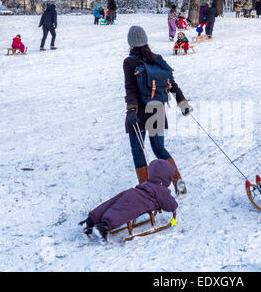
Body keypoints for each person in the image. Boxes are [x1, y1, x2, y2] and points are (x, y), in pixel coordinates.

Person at [123, 25, 193, 195]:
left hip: (139, 112)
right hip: (157, 109)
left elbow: (130, 88)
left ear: (130, 42)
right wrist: (182, 103)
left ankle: (146, 192)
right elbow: (172, 84)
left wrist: (131, 110)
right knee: (159, 149)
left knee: (138, 150)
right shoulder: (157, 58)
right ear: (145, 40)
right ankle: (178, 181)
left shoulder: (130, 62)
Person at [80, 159, 178, 242]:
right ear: (167, 177)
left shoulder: (147, 183)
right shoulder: (162, 190)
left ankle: (90, 221)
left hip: (132, 192)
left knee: (112, 203)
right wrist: (175, 206)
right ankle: (103, 227)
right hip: (141, 201)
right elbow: (169, 205)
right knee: (123, 211)